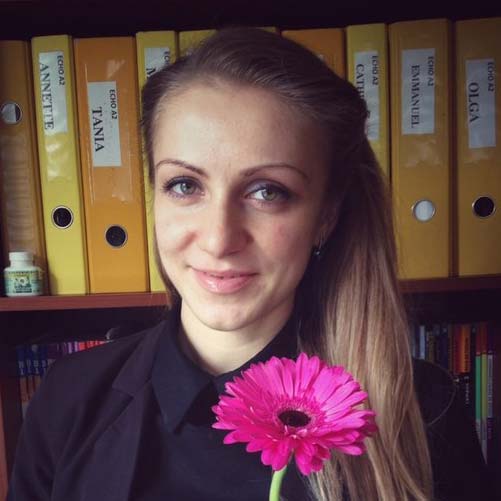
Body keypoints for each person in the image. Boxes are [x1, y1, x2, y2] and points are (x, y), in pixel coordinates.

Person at [7, 27, 493, 501]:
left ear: (326, 216)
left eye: (267, 192)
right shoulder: (69, 397)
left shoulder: (422, 411)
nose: (219, 239)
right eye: (184, 185)